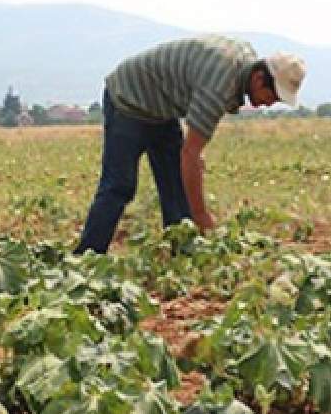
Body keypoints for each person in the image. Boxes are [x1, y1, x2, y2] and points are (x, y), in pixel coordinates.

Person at [75, 36, 305, 254]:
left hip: (162, 108)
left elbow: (192, 151)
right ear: (258, 79)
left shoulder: (244, 62)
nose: (269, 104)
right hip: (129, 98)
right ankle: (87, 257)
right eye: (272, 96)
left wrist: (192, 159)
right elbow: (191, 154)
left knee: (177, 188)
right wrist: (202, 216)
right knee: (119, 186)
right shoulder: (219, 85)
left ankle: (182, 257)